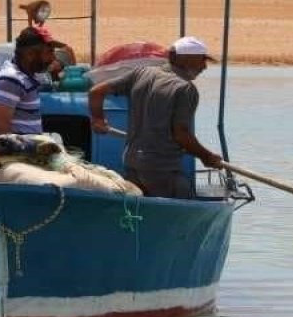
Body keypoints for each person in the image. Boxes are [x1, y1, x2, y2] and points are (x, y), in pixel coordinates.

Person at [87, 36, 223, 199]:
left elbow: (96, 91)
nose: (204, 67)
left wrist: (98, 119)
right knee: (184, 202)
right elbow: (181, 134)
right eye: (202, 60)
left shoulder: (142, 73)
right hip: (161, 168)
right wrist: (206, 156)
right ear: (186, 59)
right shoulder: (185, 89)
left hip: (132, 163)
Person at [0, 26, 58, 136]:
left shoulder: (26, 77)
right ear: (30, 55)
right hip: (15, 153)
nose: (53, 58)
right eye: (49, 52)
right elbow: (1, 130)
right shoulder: (11, 80)